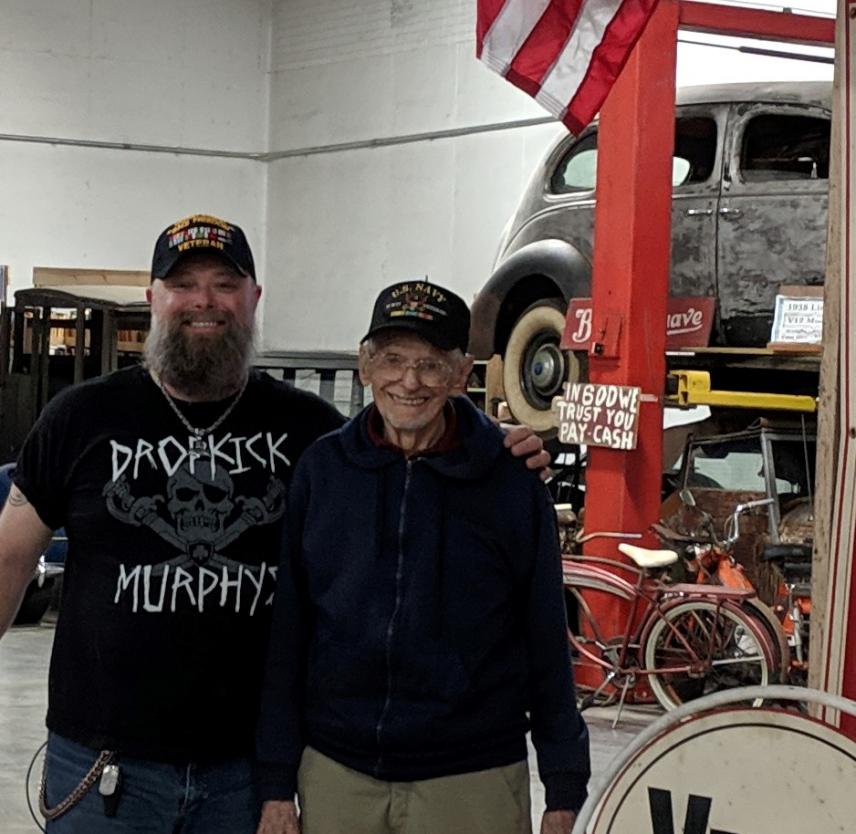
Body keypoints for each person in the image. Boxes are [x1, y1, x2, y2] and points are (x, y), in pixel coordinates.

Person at [0, 215, 548, 833]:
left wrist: (494, 443)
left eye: (225, 284)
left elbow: (416, 454)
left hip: (249, 774)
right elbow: (10, 557)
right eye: (183, 284)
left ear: (254, 299)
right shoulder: (79, 417)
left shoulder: (313, 434)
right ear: (152, 297)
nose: (205, 301)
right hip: (104, 765)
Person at [255, 281, 590, 834]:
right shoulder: (323, 471)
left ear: (462, 374)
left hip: (473, 777)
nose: (408, 382)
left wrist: (563, 783)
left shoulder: (510, 480)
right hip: (338, 772)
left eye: (431, 364)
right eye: (391, 360)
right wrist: (275, 781)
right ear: (365, 366)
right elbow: (289, 632)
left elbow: (546, 638)